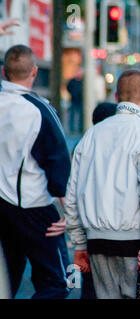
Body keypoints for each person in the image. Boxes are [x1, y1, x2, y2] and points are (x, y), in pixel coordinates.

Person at [64, 69, 140, 299]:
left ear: (116, 97)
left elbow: (73, 193)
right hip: (136, 241)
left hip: (97, 241)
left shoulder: (91, 135)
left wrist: (79, 243)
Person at [0, 45, 71, 299]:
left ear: (3, 72)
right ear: (34, 71)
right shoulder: (38, 109)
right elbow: (57, 161)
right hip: (33, 205)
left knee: (6, 282)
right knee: (56, 282)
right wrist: (69, 211)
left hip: (3, 206)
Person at [67, 69, 84, 134]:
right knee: (72, 115)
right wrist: (72, 93)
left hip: (80, 100)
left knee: (81, 115)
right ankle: (71, 129)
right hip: (73, 100)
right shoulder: (72, 81)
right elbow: (68, 87)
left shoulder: (83, 81)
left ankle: (80, 128)